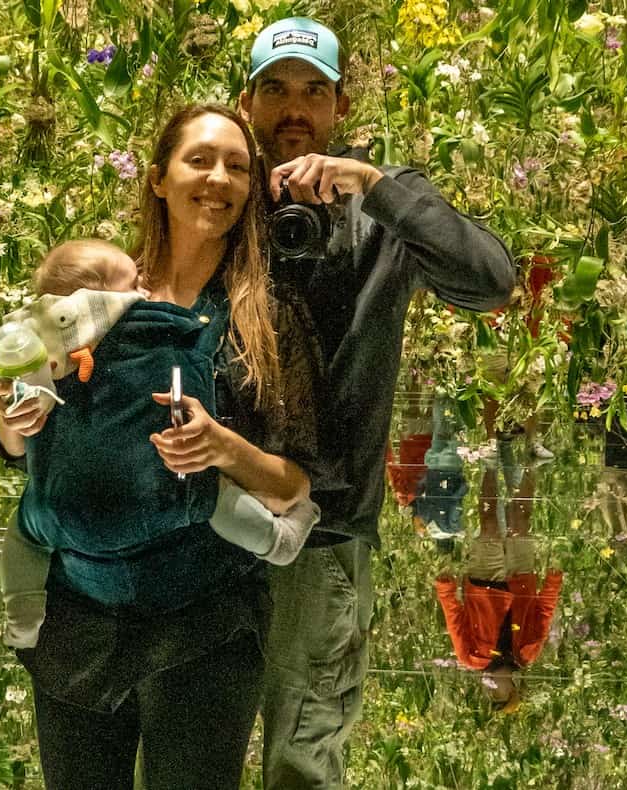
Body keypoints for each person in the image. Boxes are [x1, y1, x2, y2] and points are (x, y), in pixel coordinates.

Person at [0, 103, 323, 789]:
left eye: (237, 165)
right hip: (78, 622)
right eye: (199, 159)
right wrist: (12, 420)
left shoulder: (268, 318)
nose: (218, 177)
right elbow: (21, 446)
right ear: (158, 180)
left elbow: (292, 489)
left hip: (204, 628)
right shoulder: (88, 288)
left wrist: (220, 445)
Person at [236, 17, 517, 788]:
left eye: (313, 92)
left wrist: (377, 190)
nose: (294, 109)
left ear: (340, 106)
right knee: (186, 752)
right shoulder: (220, 190)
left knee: (303, 753)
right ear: (247, 100)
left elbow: (490, 282)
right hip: (204, 520)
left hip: (323, 528)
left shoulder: (383, 204)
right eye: (276, 90)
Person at [0, 239, 322, 649]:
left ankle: (21, 620)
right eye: (134, 282)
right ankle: (277, 542)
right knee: (208, 496)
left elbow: (19, 450)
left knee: (24, 533)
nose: (143, 290)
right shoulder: (158, 324)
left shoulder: (36, 341)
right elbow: (12, 444)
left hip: (60, 519)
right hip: (162, 518)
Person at [435, 443, 563, 713]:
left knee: (489, 524)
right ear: (513, 688)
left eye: (488, 694)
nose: (490, 687)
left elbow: (455, 621)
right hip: (521, 580)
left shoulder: (471, 658)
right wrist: (552, 583)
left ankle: (490, 465)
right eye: (499, 694)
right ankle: (531, 465)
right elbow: (543, 615)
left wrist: (446, 590)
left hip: (483, 584)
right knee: (520, 521)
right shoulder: (526, 655)